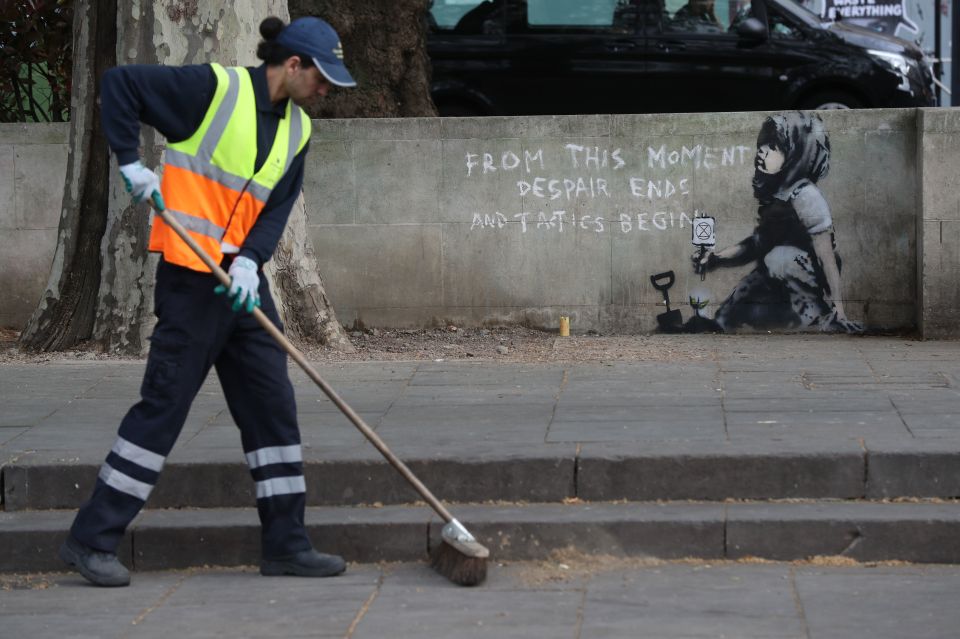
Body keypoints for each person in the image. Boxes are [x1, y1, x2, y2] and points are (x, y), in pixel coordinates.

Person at [58, 16, 357, 587]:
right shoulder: (213, 91)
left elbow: (275, 208)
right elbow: (120, 83)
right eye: (322, 78)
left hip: (242, 288)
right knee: (163, 408)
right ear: (291, 65)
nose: (326, 92)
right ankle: (89, 541)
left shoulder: (298, 131)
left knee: (273, 407)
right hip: (192, 281)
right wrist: (129, 162)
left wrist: (251, 262)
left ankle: (287, 545)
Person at [694, 111, 862, 333]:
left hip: (809, 282)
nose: (762, 152)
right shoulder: (779, 195)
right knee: (742, 295)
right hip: (779, 275)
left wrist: (839, 310)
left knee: (778, 257)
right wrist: (716, 258)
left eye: (774, 147)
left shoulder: (806, 196)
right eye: (763, 145)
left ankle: (819, 317)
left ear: (796, 153)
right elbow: (756, 244)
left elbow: (827, 258)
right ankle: (721, 324)